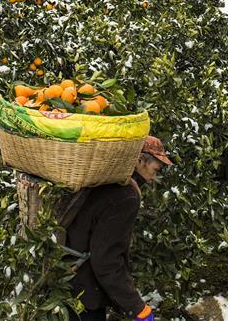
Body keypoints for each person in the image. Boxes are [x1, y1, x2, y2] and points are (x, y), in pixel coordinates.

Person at [66, 136, 173, 320]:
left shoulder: (107, 181)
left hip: (65, 282)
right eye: (155, 169)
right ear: (139, 160)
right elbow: (106, 259)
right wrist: (137, 308)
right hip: (84, 294)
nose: (155, 177)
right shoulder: (125, 196)